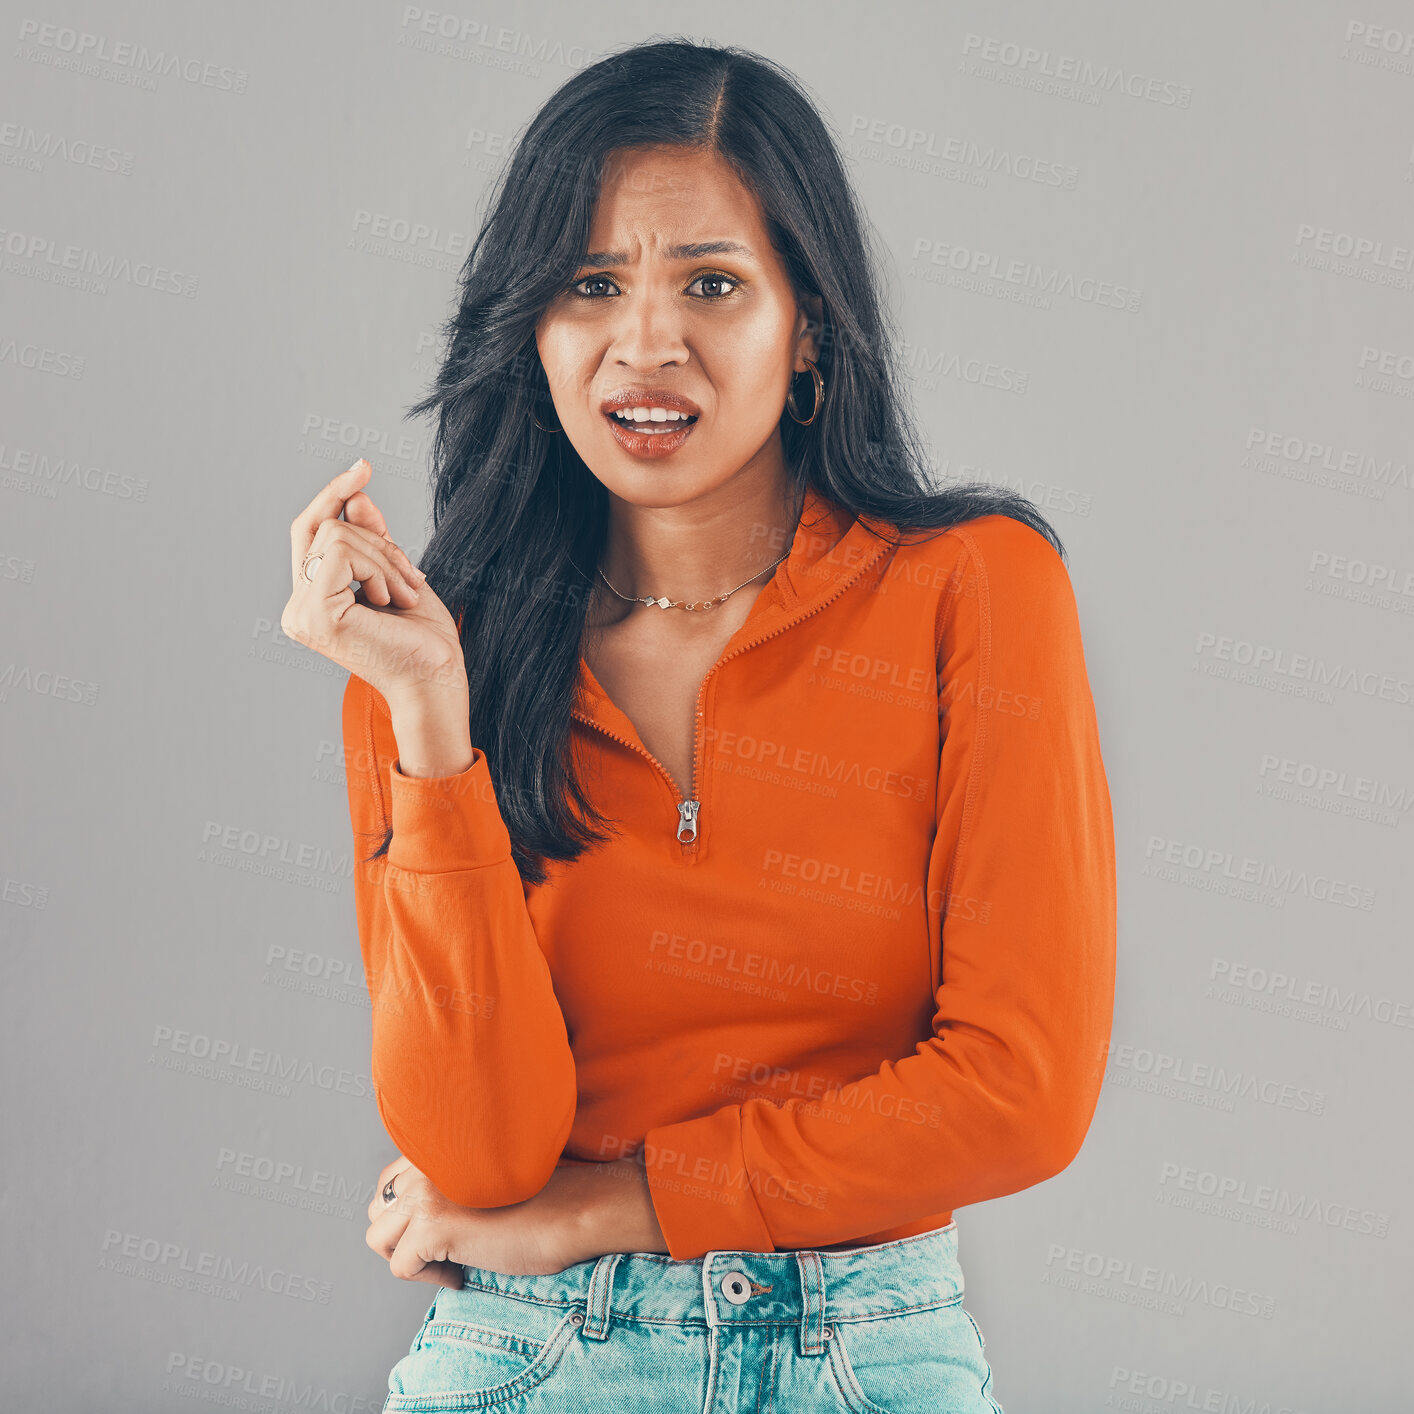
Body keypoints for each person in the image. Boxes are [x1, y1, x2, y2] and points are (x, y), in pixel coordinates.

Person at [281, 36, 1115, 1414]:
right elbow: (479, 1159)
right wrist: (430, 718)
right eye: (590, 283)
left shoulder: (974, 589)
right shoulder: (440, 659)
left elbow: (1017, 1090)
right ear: (530, 329)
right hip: (534, 1352)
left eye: (711, 285)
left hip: (863, 1347)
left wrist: (618, 1203)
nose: (644, 343)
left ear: (810, 329)